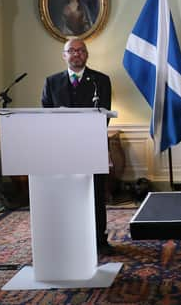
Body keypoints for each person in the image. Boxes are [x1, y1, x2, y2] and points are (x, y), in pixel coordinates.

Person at [41, 37, 113, 254]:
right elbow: (46, 113)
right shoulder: (51, 82)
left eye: (81, 50)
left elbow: (104, 114)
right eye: (71, 51)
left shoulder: (100, 80)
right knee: (66, 195)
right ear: (64, 56)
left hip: (92, 145)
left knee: (95, 194)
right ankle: (68, 240)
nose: (76, 54)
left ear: (87, 54)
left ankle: (99, 241)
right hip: (62, 148)